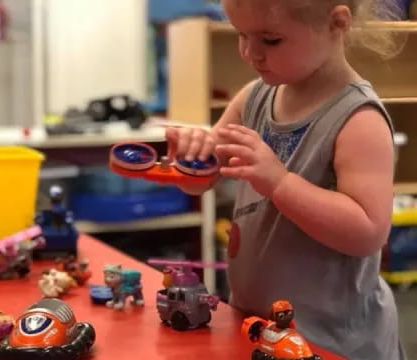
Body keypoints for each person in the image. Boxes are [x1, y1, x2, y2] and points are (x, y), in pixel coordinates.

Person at [165, 0, 405, 358]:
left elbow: (368, 232)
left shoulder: (358, 120)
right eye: (241, 35)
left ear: (336, 24)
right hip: (259, 326)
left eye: (271, 40)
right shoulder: (253, 99)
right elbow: (200, 181)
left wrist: (278, 183)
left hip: (331, 341)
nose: (250, 53)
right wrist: (190, 157)